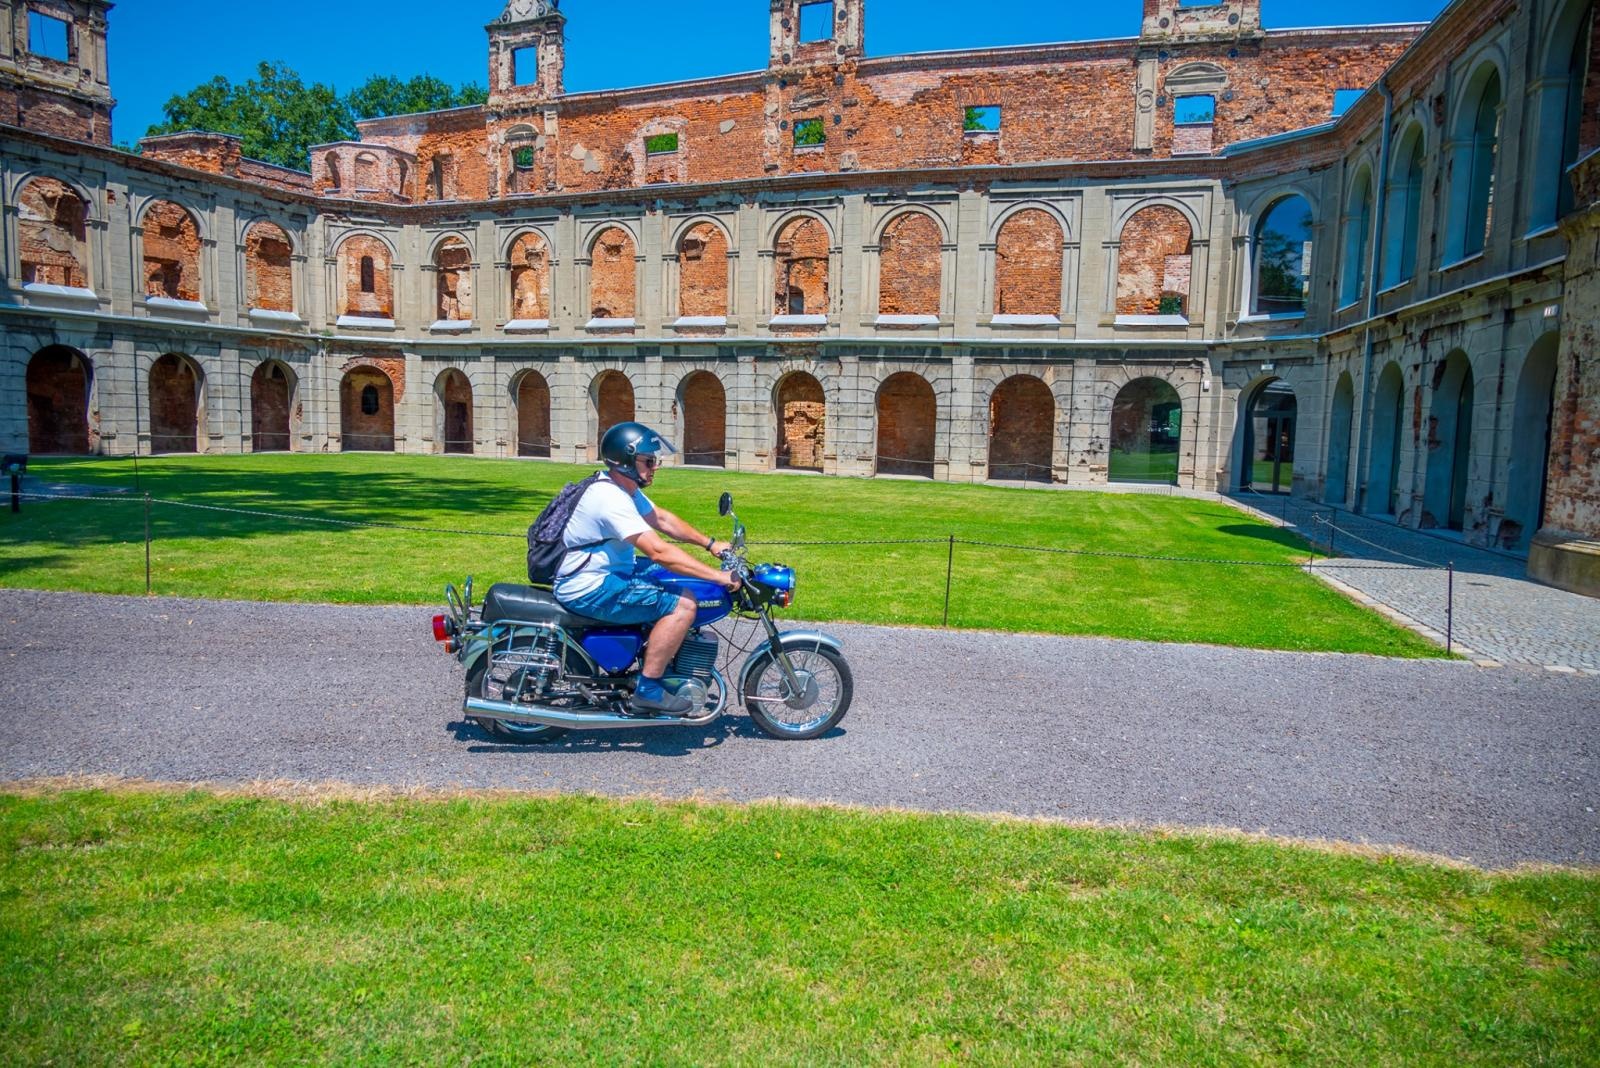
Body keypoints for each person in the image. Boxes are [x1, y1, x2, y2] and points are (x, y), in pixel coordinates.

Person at [553, 421, 740, 716]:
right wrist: (719, 576)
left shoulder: (620, 488)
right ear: (626, 460)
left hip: (605, 573)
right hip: (591, 586)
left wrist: (711, 543)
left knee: (666, 577)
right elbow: (658, 550)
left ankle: (658, 659)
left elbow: (661, 519)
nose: (655, 466)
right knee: (684, 605)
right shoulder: (610, 498)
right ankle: (649, 688)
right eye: (649, 460)